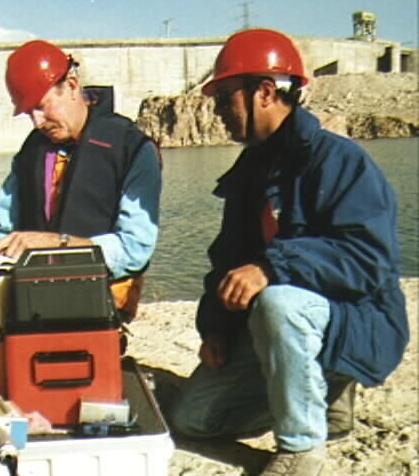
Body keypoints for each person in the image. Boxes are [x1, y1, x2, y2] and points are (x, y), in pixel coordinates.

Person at [168, 28, 409, 475]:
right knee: (194, 419)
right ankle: (320, 402)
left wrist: (270, 267)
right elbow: (225, 261)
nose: (218, 110)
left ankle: (301, 449)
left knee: (279, 300)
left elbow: (369, 258)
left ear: (263, 91)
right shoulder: (250, 172)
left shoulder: (337, 161)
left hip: (354, 321)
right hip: (284, 327)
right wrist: (216, 329)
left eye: (224, 97)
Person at [0, 39, 162, 329]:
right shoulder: (31, 150)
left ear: (72, 86)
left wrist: (58, 245)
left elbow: (134, 249)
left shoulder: (132, 148)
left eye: (42, 106)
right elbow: (1, 228)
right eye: (28, 112)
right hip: (32, 284)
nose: (37, 121)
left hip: (98, 288)